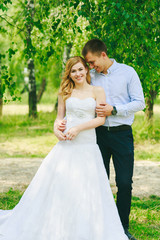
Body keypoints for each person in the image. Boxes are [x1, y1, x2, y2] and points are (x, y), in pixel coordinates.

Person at [0, 56, 128, 240]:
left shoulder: (97, 91)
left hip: (87, 146)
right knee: (60, 186)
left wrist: (77, 128)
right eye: (73, 71)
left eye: (80, 69)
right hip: (66, 145)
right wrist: (56, 128)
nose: (77, 74)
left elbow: (101, 119)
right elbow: (60, 117)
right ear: (69, 73)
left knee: (87, 188)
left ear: (86, 69)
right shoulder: (64, 92)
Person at [82, 39, 145, 240]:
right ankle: (100, 227)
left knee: (125, 183)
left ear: (103, 54)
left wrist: (115, 110)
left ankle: (122, 228)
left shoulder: (128, 72)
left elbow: (139, 102)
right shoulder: (90, 77)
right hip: (97, 135)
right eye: (88, 64)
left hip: (122, 134)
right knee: (98, 182)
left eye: (92, 62)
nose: (91, 67)